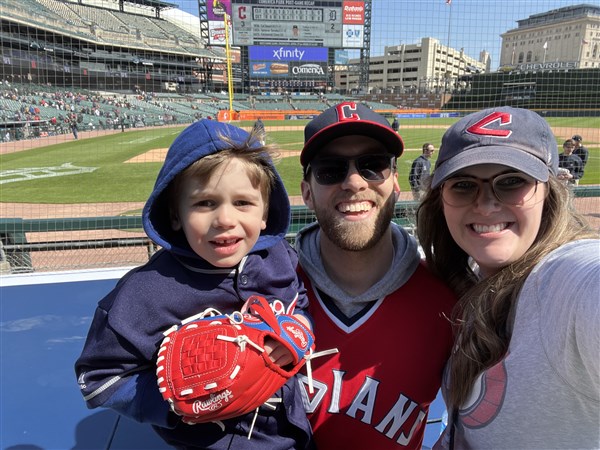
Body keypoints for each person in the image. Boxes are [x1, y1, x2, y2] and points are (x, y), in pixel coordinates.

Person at [75, 119, 314, 449]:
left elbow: (297, 302)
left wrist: (296, 329)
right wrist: (174, 404)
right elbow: (98, 378)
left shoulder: (280, 258)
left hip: (295, 431)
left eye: (243, 202)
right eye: (205, 203)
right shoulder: (144, 293)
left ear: (264, 212)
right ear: (175, 215)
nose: (225, 220)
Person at [416, 106, 599, 449]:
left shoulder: (565, 281)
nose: (485, 205)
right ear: (440, 201)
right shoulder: (461, 281)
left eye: (511, 182)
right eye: (464, 185)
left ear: (550, 190)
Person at [294, 101, 456, 449]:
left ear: (395, 182)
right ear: (307, 192)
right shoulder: (265, 290)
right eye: (329, 169)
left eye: (373, 166)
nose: (354, 182)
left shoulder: (450, 301)